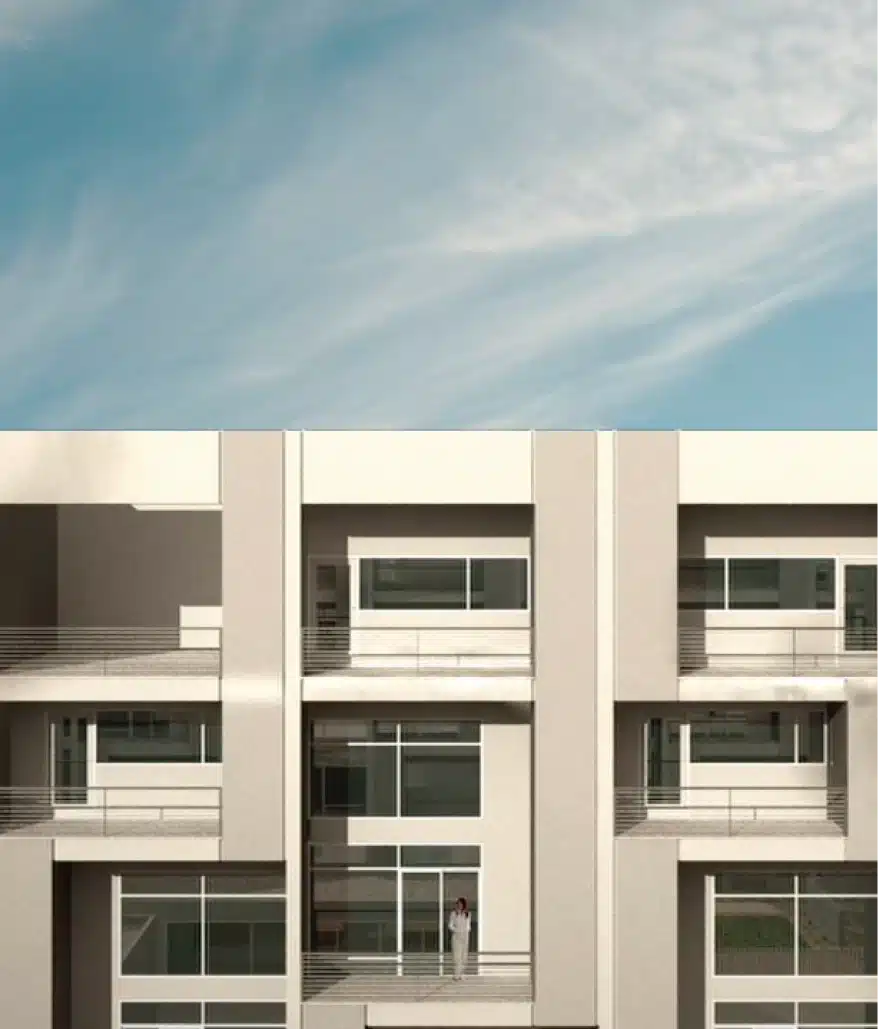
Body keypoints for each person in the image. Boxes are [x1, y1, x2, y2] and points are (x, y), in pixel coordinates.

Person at [447, 897, 471, 980]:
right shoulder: (453, 913)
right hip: (456, 936)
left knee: (464, 956)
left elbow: (468, 925)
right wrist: (456, 930)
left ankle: (462, 974)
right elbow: (450, 925)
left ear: (464, 905)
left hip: (465, 936)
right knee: (457, 956)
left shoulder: (467, 913)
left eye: (462, 904)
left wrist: (466, 931)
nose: (460, 905)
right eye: (459, 904)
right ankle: (456, 974)